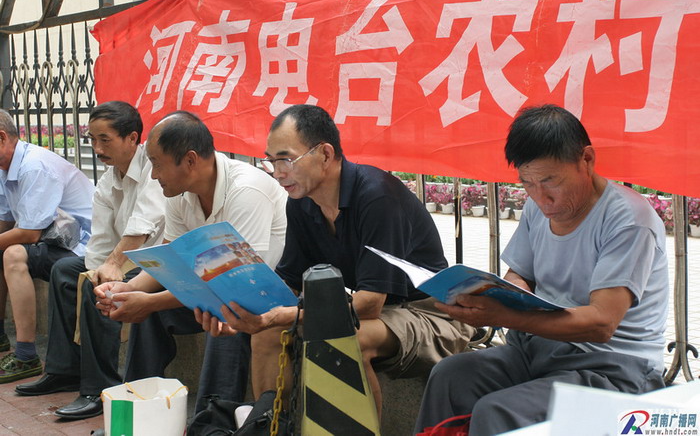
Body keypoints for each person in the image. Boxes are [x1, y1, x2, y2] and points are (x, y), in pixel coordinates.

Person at [196, 104, 474, 413]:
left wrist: (281, 315)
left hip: (431, 313)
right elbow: (290, 284)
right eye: (271, 161)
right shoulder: (300, 203)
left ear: (325, 154)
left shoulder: (378, 197)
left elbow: (370, 304)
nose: (278, 173)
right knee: (267, 335)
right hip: (382, 313)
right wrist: (244, 312)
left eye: (286, 159)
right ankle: (269, 426)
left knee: (342, 339)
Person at [414, 105, 668, 435]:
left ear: (586, 160)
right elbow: (519, 273)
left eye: (550, 181)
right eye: (528, 183)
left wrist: (505, 316)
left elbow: (602, 323)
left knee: (497, 411)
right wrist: (504, 293)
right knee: (450, 376)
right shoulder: (538, 208)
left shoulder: (629, 220)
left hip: (612, 368)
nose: (541, 197)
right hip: (538, 350)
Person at [94, 110, 288, 413]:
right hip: (217, 284)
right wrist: (128, 290)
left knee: (226, 316)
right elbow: (169, 262)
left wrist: (149, 302)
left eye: (157, 164)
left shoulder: (246, 190)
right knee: (149, 310)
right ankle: (137, 411)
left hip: (263, 293)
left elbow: (236, 285)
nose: (153, 175)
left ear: (190, 160)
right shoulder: (177, 193)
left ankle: (212, 421)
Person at [15, 101, 166, 420]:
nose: (97, 148)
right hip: (124, 260)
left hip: (154, 262)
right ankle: (64, 370)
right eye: (92, 140)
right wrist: (98, 269)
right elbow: (101, 239)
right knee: (66, 271)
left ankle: (100, 387)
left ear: (132, 138)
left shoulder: (154, 168)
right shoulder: (109, 181)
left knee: (100, 287)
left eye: (105, 140)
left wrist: (109, 268)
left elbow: (142, 227)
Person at [0, 110, 94, 384]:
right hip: (54, 240)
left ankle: (26, 355)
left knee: (13, 254)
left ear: (2, 137)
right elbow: (5, 222)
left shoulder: (34, 166)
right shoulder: (5, 168)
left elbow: (29, 234)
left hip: (81, 246)